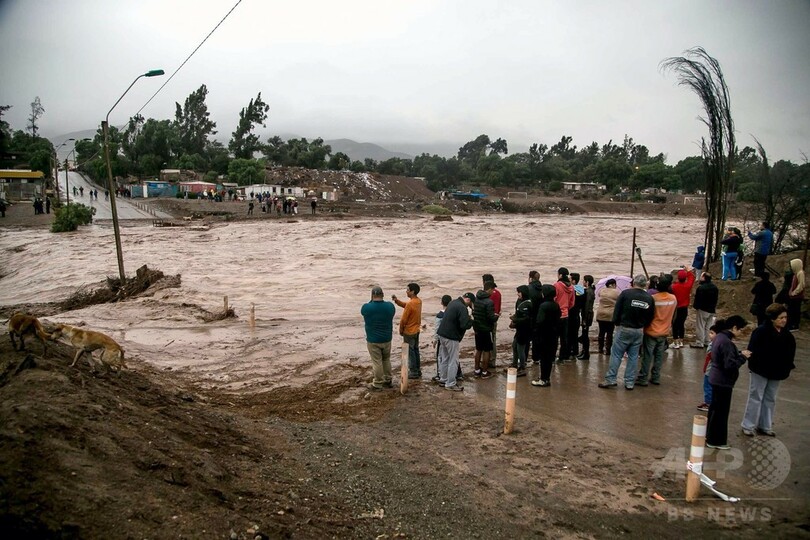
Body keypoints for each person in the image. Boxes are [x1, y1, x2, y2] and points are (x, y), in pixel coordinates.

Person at [740, 303, 796, 437]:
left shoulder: (787, 335)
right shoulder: (760, 331)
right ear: (772, 318)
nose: (783, 320)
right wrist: (754, 365)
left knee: (770, 398)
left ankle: (765, 425)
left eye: (785, 317)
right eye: (780, 317)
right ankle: (748, 425)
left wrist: (786, 368)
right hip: (760, 370)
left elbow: (790, 354)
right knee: (756, 397)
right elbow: (752, 350)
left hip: (777, 372)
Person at [598, 274, 655, 390]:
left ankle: (611, 379)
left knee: (616, 354)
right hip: (639, 330)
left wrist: (616, 323)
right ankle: (629, 382)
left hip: (624, 327)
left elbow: (617, 311)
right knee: (633, 356)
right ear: (645, 284)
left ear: (634, 283)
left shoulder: (625, 294)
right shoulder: (649, 298)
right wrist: (643, 325)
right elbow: (651, 316)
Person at [705, 315, 751, 449]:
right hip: (722, 381)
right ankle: (716, 440)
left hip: (715, 378)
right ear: (734, 327)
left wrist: (738, 353)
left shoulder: (720, 338)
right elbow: (729, 365)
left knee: (714, 410)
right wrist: (742, 357)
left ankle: (710, 436)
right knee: (721, 412)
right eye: (741, 330)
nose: (741, 333)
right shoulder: (727, 342)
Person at [636, 275, 676, 386]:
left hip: (651, 331)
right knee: (659, 356)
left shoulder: (653, 299)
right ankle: (656, 377)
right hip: (664, 331)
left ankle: (643, 377)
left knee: (647, 356)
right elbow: (674, 316)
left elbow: (647, 315)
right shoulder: (673, 299)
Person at [436, 293, 475, 391]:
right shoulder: (462, 307)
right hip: (451, 337)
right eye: (470, 304)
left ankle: (443, 379)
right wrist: (471, 319)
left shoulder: (453, 302)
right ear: (468, 300)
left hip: (442, 334)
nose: (469, 306)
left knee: (445, 358)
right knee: (453, 360)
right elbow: (464, 325)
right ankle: (450, 383)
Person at [361, 286, 396, 391]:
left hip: (373, 339)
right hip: (387, 338)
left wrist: (371, 300)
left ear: (372, 295)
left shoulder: (367, 307)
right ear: (383, 295)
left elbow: (363, 313)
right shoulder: (390, 306)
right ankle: (388, 379)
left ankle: (377, 383)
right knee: (386, 359)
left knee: (377, 362)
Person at [531, 284, 562, 388]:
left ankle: (544, 379)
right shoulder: (556, 305)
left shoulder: (543, 306)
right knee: (549, 358)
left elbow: (539, 322)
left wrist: (535, 333)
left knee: (544, 358)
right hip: (553, 335)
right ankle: (546, 378)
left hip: (544, 336)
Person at [392, 282, 423, 380]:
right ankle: (417, 370)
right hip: (416, 330)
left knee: (411, 352)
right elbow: (407, 305)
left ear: (412, 291)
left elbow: (403, 320)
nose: (406, 291)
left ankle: (413, 371)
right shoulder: (418, 301)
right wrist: (397, 301)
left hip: (409, 331)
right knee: (416, 350)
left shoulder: (411, 304)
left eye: (407, 290)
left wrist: (401, 330)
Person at [472, 282, 497, 379]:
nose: (493, 292)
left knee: (478, 349)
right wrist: (496, 317)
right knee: (487, 351)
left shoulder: (476, 298)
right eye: (493, 290)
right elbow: (491, 318)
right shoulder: (489, 302)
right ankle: (485, 372)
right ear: (489, 289)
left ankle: (477, 369)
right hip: (486, 329)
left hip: (477, 328)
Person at [508, 285, 532, 377]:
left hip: (524, 330)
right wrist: (514, 319)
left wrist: (515, 321)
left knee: (520, 348)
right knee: (514, 345)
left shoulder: (527, 304)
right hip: (519, 329)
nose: (517, 294)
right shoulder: (520, 302)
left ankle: (522, 367)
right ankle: (514, 364)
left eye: (519, 292)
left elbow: (526, 319)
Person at [691, 272, 718, 348]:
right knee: (708, 326)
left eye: (701, 276)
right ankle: (707, 341)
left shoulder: (701, 288)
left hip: (703, 309)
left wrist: (696, 307)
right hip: (712, 310)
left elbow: (698, 299)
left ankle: (699, 342)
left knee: (700, 326)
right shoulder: (715, 287)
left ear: (704, 278)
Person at [671, 266, 695, 349]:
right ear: (685, 278)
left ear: (678, 278)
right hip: (684, 308)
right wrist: (688, 270)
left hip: (676, 308)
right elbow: (692, 277)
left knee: (674, 324)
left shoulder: (674, 286)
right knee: (681, 324)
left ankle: (675, 342)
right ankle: (681, 341)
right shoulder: (687, 286)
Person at [554, 267, 575, 362]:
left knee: (554, 338)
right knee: (564, 338)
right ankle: (562, 357)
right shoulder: (571, 287)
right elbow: (572, 303)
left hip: (557, 315)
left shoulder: (557, 285)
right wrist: (566, 308)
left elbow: (553, 299)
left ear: (560, 275)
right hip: (566, 314)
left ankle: (552, 356)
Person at [696, 326, 718, 412]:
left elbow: (711, 357)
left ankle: (708, 403)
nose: (709, 335)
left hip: (710, 371)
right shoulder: (712, 343)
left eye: (712, 333)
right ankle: (709, 402)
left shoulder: (715, 345)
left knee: (708, 386)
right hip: (709, 369)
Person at [595, 278, 619, 355]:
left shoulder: (602, 290)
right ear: (614, 285)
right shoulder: (616, 292)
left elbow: (599, 295)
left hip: (600, 314)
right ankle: (608, 350)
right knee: (609, 333)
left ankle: (600, 349)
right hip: (610, 315)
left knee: (601, 332)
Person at [482, 274, 502, 364]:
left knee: (485, 341)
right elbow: (498, 307)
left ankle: (487, 360)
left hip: (486, 320)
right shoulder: (498, 293)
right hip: (495, 318)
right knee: (493, 339)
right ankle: (492, 359)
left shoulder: (486, 294)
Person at [526, 271, 543, 364]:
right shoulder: (542, 288)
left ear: (531, 278)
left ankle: (523, 359)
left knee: (527, 339)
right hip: (539, 317)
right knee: (537, 338)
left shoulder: (528, 289)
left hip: (530, 317)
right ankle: (536, 358)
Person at [433, 294, 452, 378]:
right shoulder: (452, 313)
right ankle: (457, 373)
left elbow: (437, 329)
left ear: (441, 302)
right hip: (451, 337)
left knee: (440, 356)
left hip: (442, 338)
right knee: (452, 356)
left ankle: (440, 374)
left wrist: (435, 340)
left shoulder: (439, 315)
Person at [577, 275, 596, 360]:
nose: (583, 282)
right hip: (587, 315)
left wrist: (584, 319)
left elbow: (587, 306)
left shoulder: (589, 292)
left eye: (584, 281)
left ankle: (586, 353)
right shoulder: (590, 291)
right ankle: (584, 351)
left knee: (585, 335)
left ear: (587, 282)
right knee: (584, 334)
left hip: (587, 315)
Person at [567, 273, 584, 359]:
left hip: (571, 314)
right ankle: (575, 352)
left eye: (570, 279)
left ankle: (570, 352)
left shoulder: (571, 290)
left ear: (573, 281)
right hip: (577, 315)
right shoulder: (581, 290)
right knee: (575, 334)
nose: (568, 280)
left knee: (569, 334)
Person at [786, 259, 805, 331]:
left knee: (795, 311)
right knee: (791, 311)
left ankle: (795, 325)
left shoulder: (800, 273)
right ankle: (790, 324)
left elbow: (801, 285)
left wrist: (794, 293)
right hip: (793, 296)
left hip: (797, 297)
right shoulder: (796, 273)